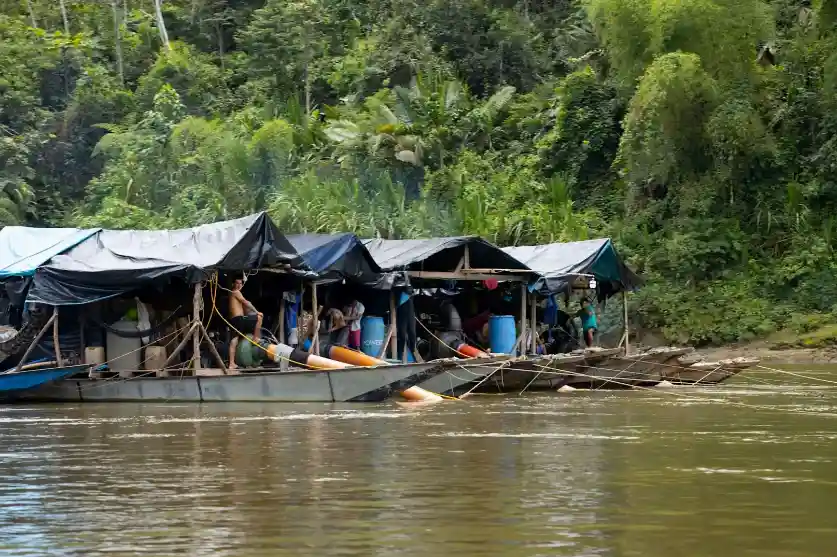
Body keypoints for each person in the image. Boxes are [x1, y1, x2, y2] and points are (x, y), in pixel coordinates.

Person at [228, 277, 263, 369]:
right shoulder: (236, 292)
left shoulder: (234, 293)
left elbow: (244, 306)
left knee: (235, 339)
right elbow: (245, 302)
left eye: (241, 283)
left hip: (239, 319)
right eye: (237, 283)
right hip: (238, 319)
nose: (239, 285)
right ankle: (255, 338)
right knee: (259, 317)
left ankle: (232, 363)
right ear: (233, 284)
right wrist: (256, 311)